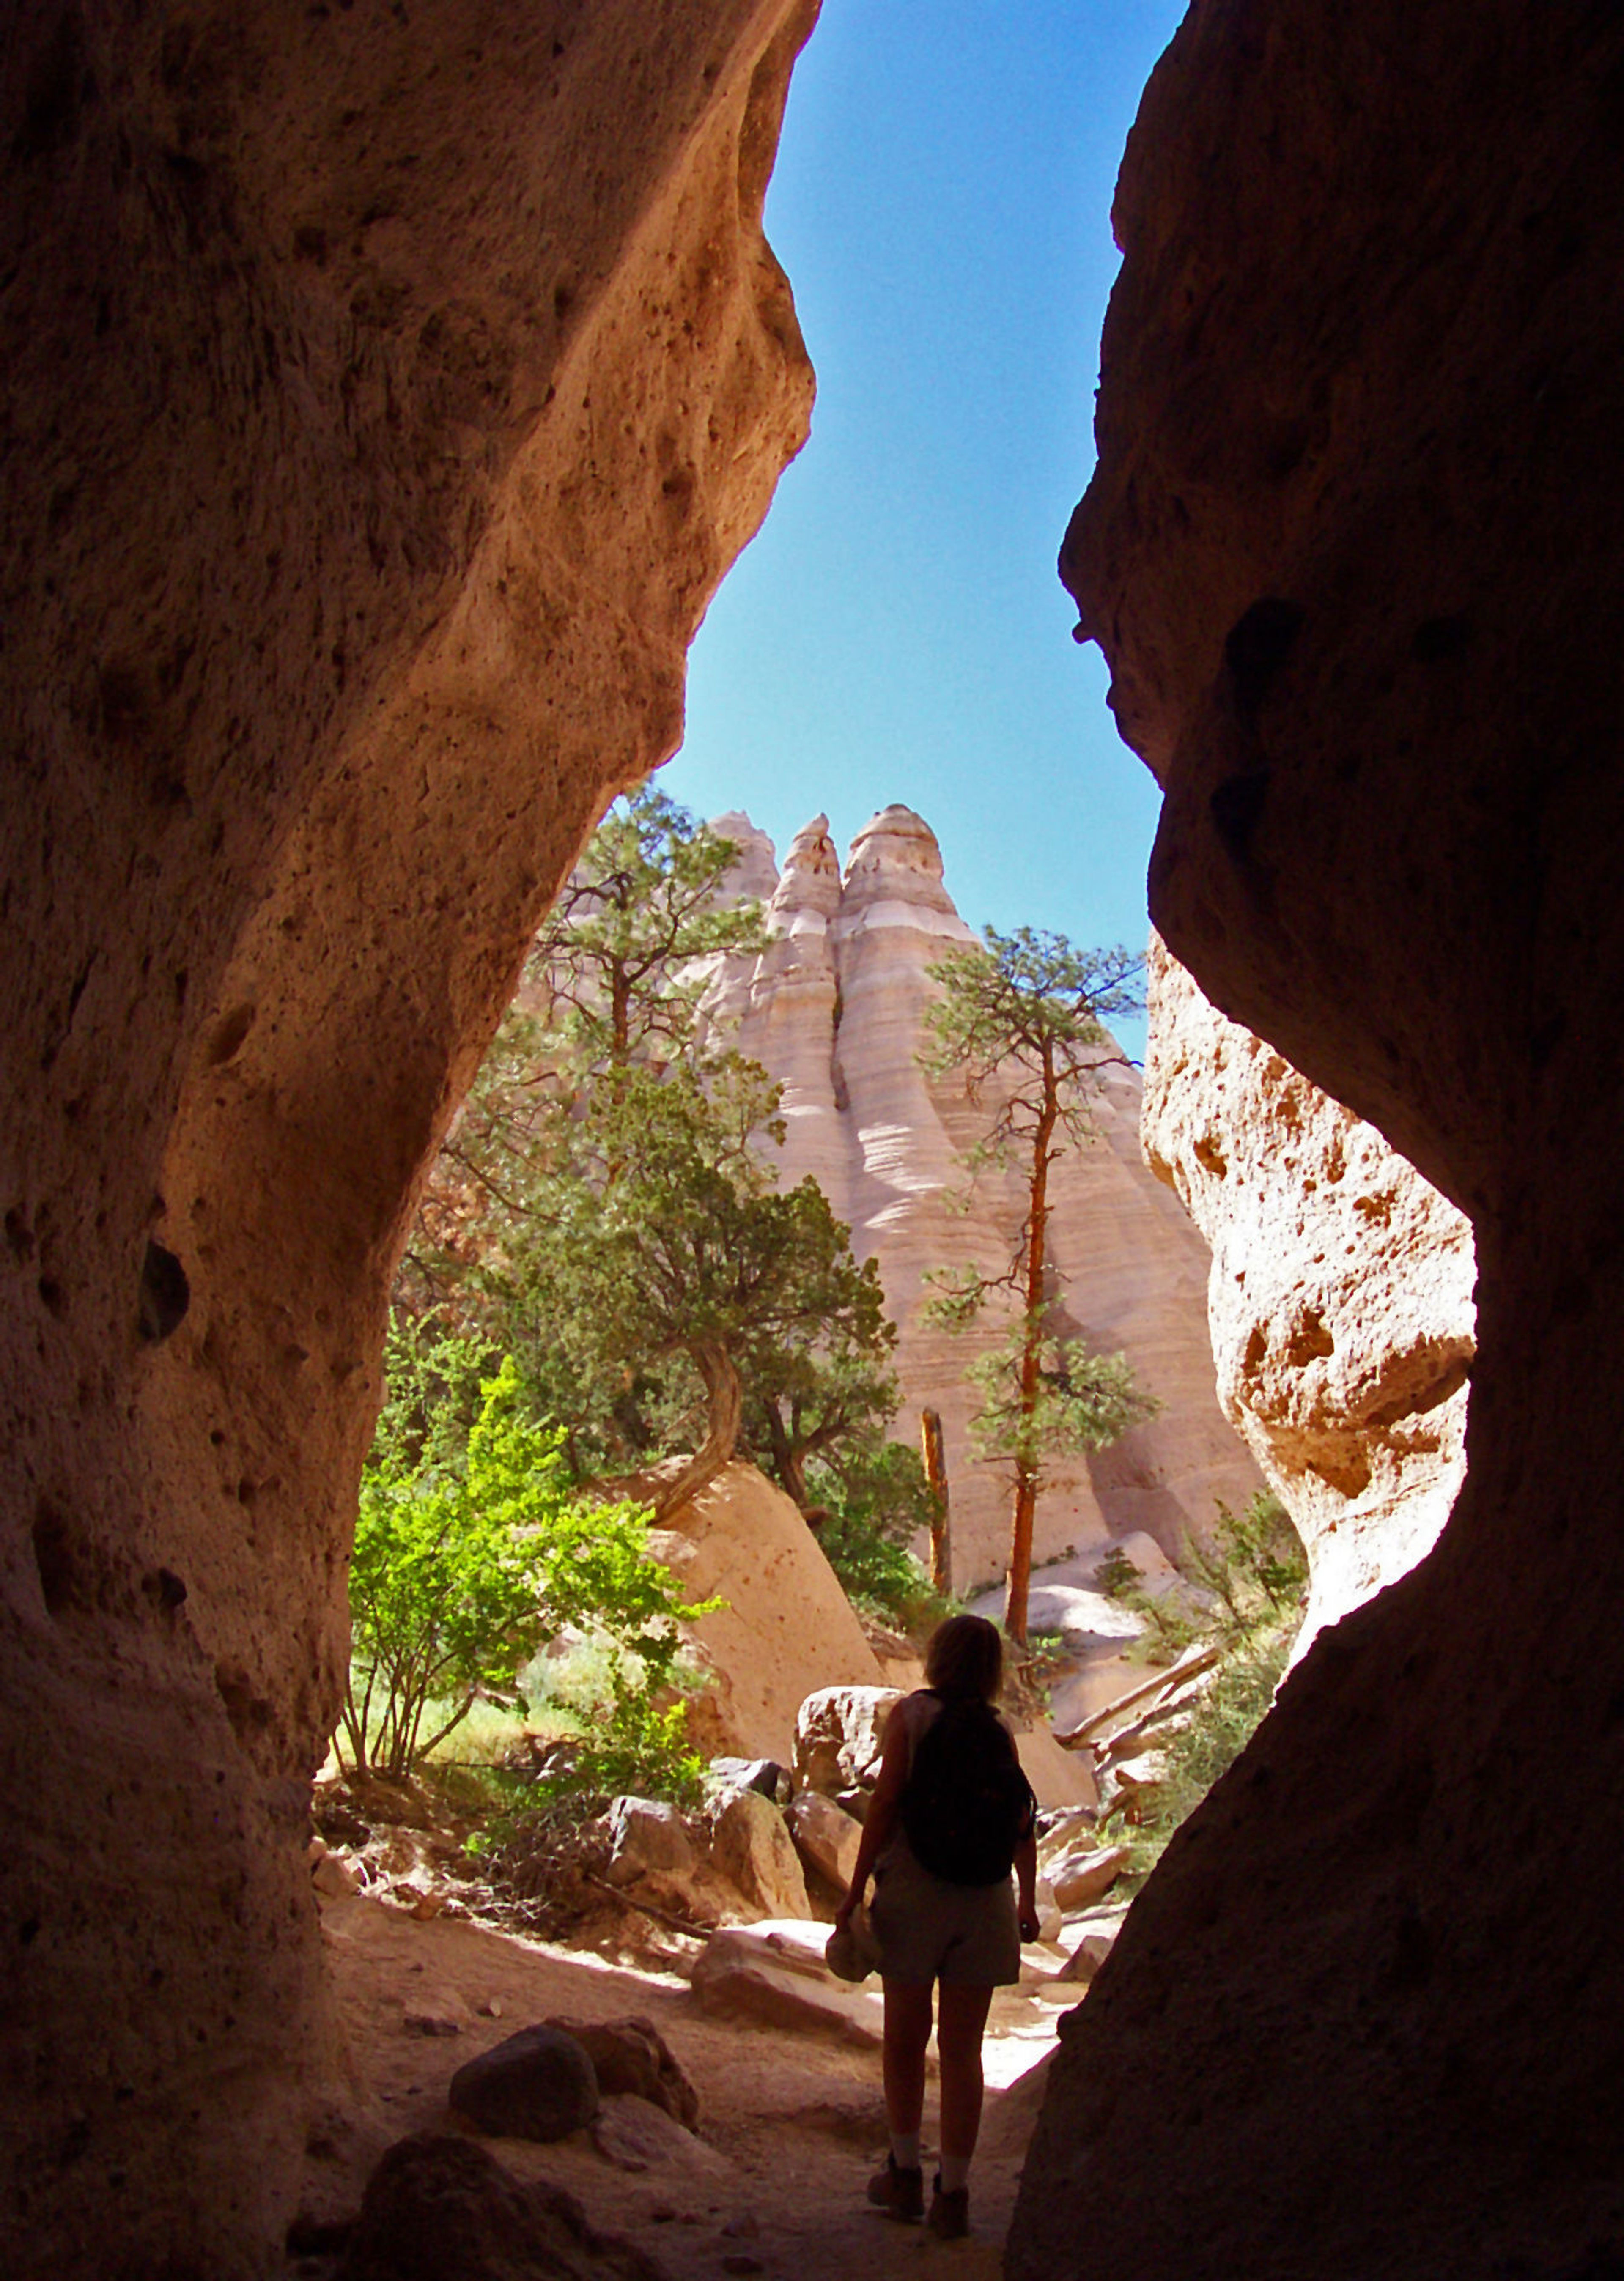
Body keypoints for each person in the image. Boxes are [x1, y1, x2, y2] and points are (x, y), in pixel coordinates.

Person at [832, 1612, 1040, 2240]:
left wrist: (856, 1887)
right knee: (963, 2050)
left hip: (918, 1890)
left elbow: (886, 1803)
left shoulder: (913, 1716)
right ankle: (953, 2193)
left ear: (938, 1657)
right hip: (984, 1898)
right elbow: (1021, 1819)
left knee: (904, 2038)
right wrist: (1027, 1901)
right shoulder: (999, 1728)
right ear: (992, 1670)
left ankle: (902, 2175)